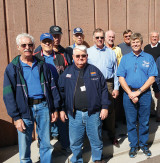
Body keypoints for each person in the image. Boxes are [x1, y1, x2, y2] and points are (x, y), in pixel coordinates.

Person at [3, 33, 61, 163]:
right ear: (18, 47)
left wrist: (54, 108)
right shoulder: (12, 68)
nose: (27, 47)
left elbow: (52, 87)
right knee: (24, 145)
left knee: (46, 142)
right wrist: (16, 118)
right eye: (24, 45)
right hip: (24, 110)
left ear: (34, 46)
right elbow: (8, 95)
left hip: (44, 107)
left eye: (30, 45)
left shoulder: (42, 65)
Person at [59, 45, 109, 163]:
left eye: (83, 56)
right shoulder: (67, 72)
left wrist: (105, 107)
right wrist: (61, 109)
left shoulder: (94, 71)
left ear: (87, 56)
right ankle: (77, 160)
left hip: (93, 113)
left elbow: (104, 90)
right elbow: (60, 91)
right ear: (73, 57)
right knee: (75, 142)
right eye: (77, 56)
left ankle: (97, 159)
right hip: (74, 114)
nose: (80, 58)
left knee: (96, 139)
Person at [117, 33, 158, 158]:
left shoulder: (149, 57)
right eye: (133, 42)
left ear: (141, 43)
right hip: (128, 94)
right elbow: (120, 77)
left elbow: (152, 78)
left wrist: (138, 92)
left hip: (144, 94)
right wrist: (130, 93)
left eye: (137, 42)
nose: (135, 44)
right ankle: (133, 146)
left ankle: (144, 144)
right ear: (131, 43)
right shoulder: (125, 58)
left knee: (144, 121)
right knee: (131, 122)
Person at [34, 33, 70, 151]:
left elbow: (66, 73)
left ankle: (65, 144)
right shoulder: (36, 57)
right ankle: (44, 144)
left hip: (59, 92)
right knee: (44, 122)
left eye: (49, 41)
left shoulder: (60, 56)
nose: (48, 44)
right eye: (45, 42)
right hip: (44, 94)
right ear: (41, 44)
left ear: (53, 42)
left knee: (62, 119)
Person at [87, 28, 120, 147]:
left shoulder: (111, 52)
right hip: (93, 85)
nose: (100, 39)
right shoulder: (88, 52)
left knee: (110, 111)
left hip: (108, 84)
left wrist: (116, 87)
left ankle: (112, 134)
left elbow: (116, 71)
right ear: (93, 38)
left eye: (101, 37)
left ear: (104, 38)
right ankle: (97, 137)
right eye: (97, 37)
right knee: (95, 110)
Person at [144, 31, 160, 122]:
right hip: (148, 74)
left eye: (156, 36)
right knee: (148, 93)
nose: (154, 38)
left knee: (159, 94)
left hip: (159, 73)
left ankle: (159, 113)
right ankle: (151, 111)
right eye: (152, 36)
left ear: (158, 37)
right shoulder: (146, 47)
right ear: (150, 37)